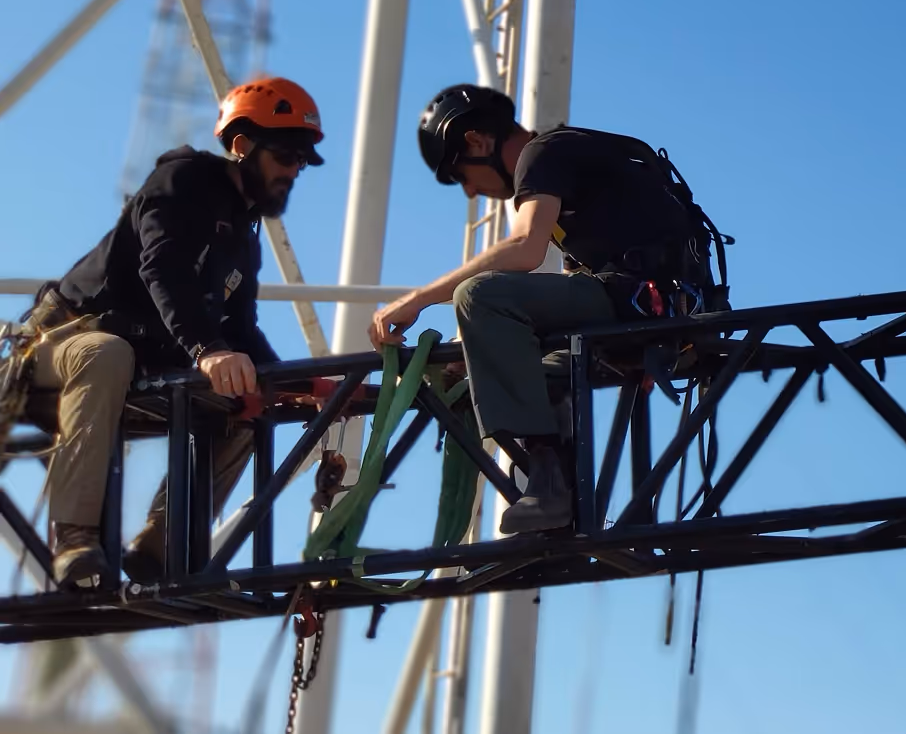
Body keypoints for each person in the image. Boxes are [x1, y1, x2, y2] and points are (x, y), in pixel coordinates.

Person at [372, 86, 716, 534]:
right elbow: (575, 283)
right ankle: (555, 506)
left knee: (479, 295)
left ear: (477, 141)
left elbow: (524, 249)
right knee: (531, 367)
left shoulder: (541, 153)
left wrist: (417, 300)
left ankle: (549, 486)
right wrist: (474, 346)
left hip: (645, 306)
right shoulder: (577, 166)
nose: (472, 190)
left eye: (463, 174)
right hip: (658, 310)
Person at [23, 77, 321, 588]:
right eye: (286, 156)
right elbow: (161, 269)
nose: (294, 171)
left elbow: (241, 329)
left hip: (138, 371)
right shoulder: (182, 182)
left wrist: (307, 387)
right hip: (59, 349)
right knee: (107, 353)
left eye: (302, 162)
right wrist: (207, 349)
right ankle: (75, 543)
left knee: (247, 396)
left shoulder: (243, 238)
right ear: (242, 146)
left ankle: (163, 548)